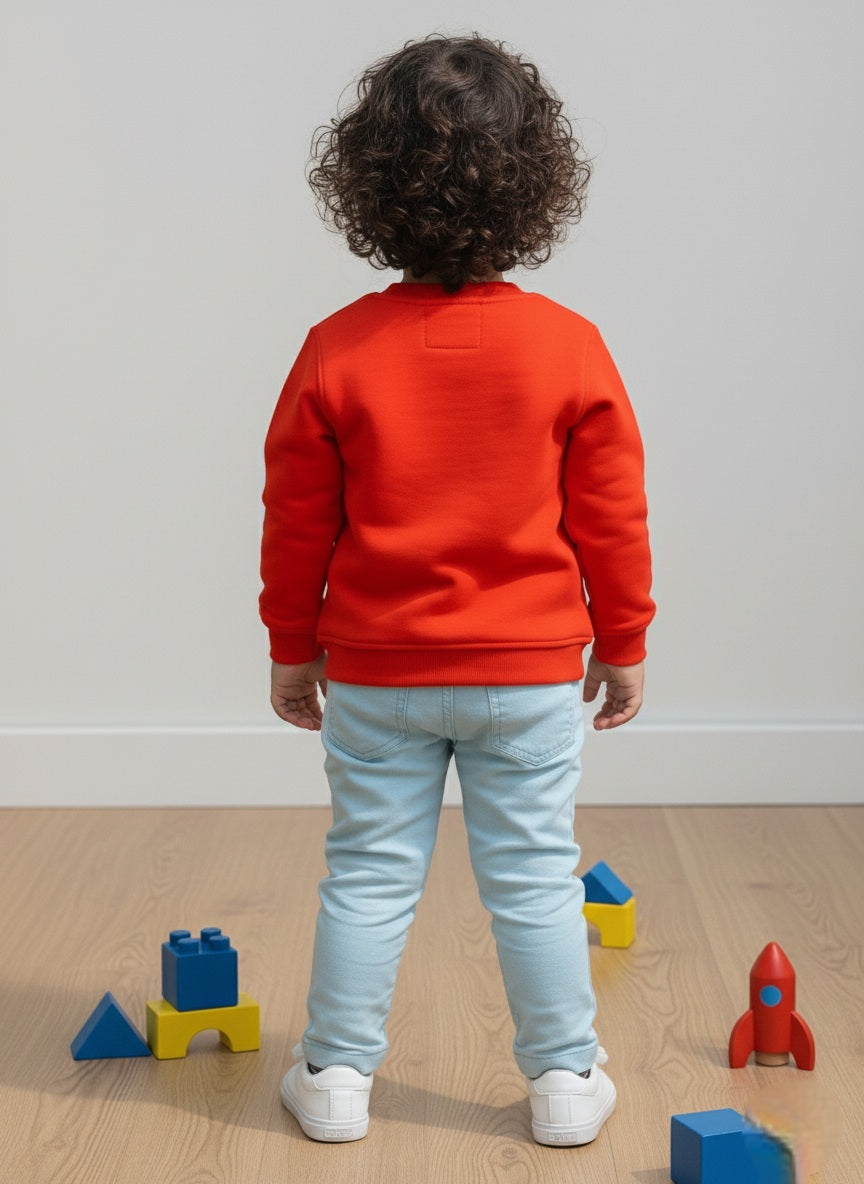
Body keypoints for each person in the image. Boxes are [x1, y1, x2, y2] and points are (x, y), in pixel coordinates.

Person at [259, 31, 655, 1146]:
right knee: (534, 878)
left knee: (369, 877)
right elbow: (611, 521)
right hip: (527, 676)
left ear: (367, 184)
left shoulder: (336, 350)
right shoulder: (569, 348)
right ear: (536, 187)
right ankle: (567, 1082)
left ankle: (335, 1078)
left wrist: (294, 643)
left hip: (379, 672)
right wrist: (620, 639)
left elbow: (297, 521)